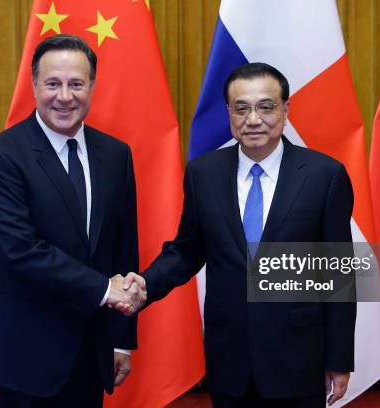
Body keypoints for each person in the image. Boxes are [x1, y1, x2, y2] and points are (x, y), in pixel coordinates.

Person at [125, 62, 356, 407]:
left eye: (266, 107)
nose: (253, 119)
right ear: (229, 112)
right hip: (229, 356)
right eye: (241, 108)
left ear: (285, 109)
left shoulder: (325, 176)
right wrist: (145, 284)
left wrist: (338, 359)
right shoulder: (204, 173)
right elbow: (188, 250)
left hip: (298, 356)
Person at [0, 34, 146, 407]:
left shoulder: (115, 155)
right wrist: (105, 290)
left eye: (76, 83)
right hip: (18, 357)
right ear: (34, 86)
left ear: (92, 86)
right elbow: (19, 249)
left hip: (89, 354)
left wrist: (121, 338)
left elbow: (122, 248)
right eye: (53, 83)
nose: (65, 96)